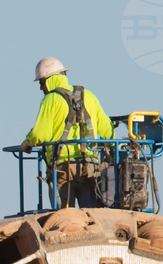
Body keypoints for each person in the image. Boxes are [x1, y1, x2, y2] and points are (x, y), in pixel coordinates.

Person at [19, 57, 113, 209]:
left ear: (49, 80)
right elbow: (107, 129)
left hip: (62, 168)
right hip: (90, 167)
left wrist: (27, 143)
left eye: (42, 83)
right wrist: (112, 148)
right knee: (93, 216)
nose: (41, 88)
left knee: (64, 219)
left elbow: (39, 134)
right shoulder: (89, 96)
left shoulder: (51, 99)